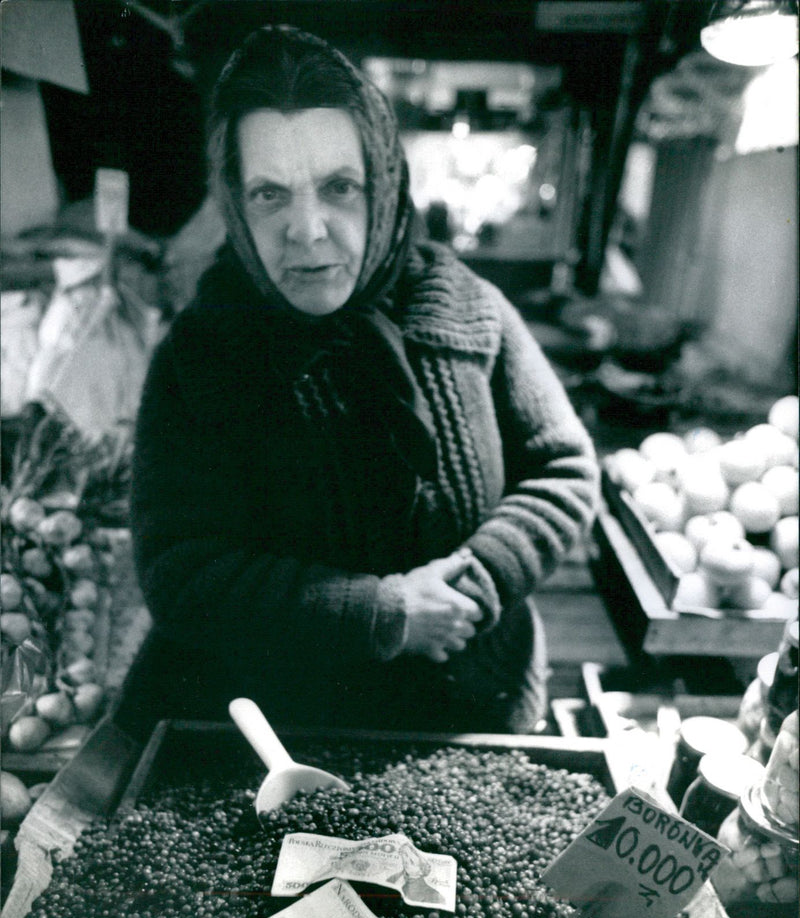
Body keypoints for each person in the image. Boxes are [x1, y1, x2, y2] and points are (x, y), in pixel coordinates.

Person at [115, 24, 599, 741]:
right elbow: (181, 571)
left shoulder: (465, 305)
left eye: (339, 188)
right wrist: (382, 612)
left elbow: (564, 469)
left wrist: (480, 576)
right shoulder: (203, 354)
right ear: (236, 206)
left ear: (384, 181)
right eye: (270, 195)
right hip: (280, 744)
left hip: (469, 716)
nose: (307, 230)